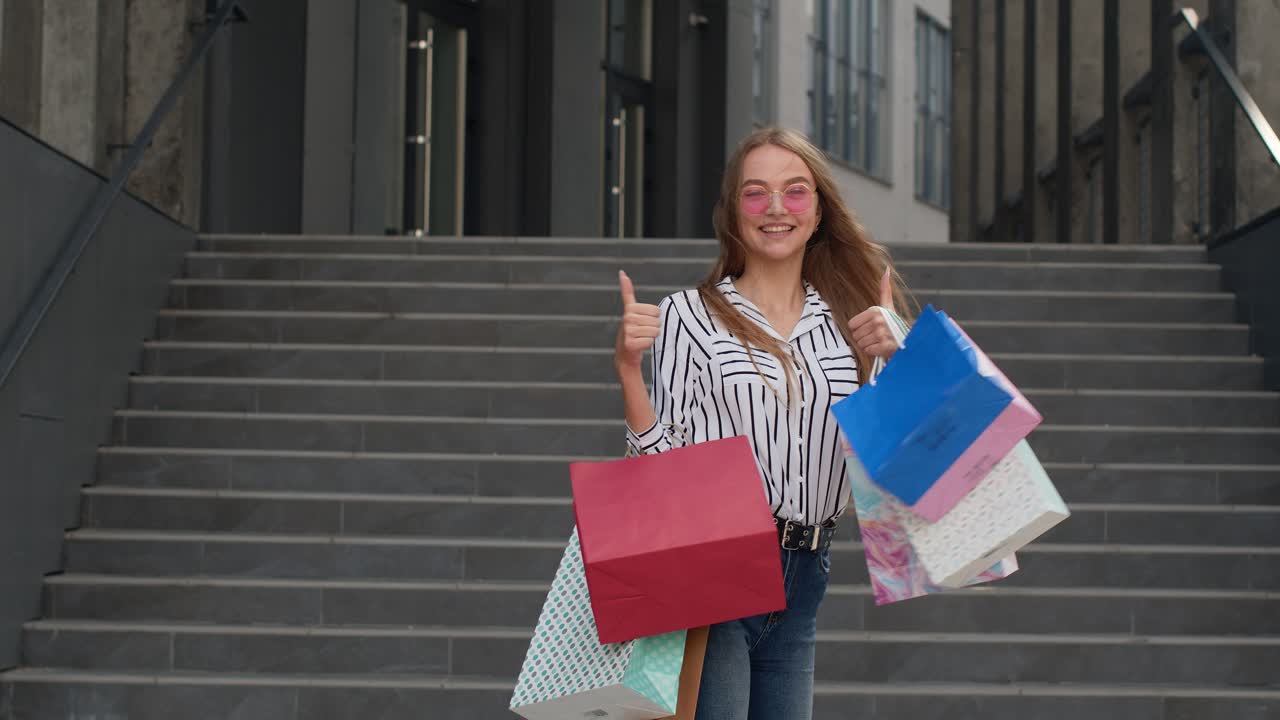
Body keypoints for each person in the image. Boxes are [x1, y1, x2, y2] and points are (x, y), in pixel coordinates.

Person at [614, 126, 910, 720]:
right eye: (756, 193)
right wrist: (628, 372)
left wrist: (901, 359)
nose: (776, 208)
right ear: (733, 212)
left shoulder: (852, 323)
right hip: (717, 568)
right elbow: (657, 471)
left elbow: (889, 467)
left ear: (819, 209)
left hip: (807, 570)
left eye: (795, 191)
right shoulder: (688, 317)